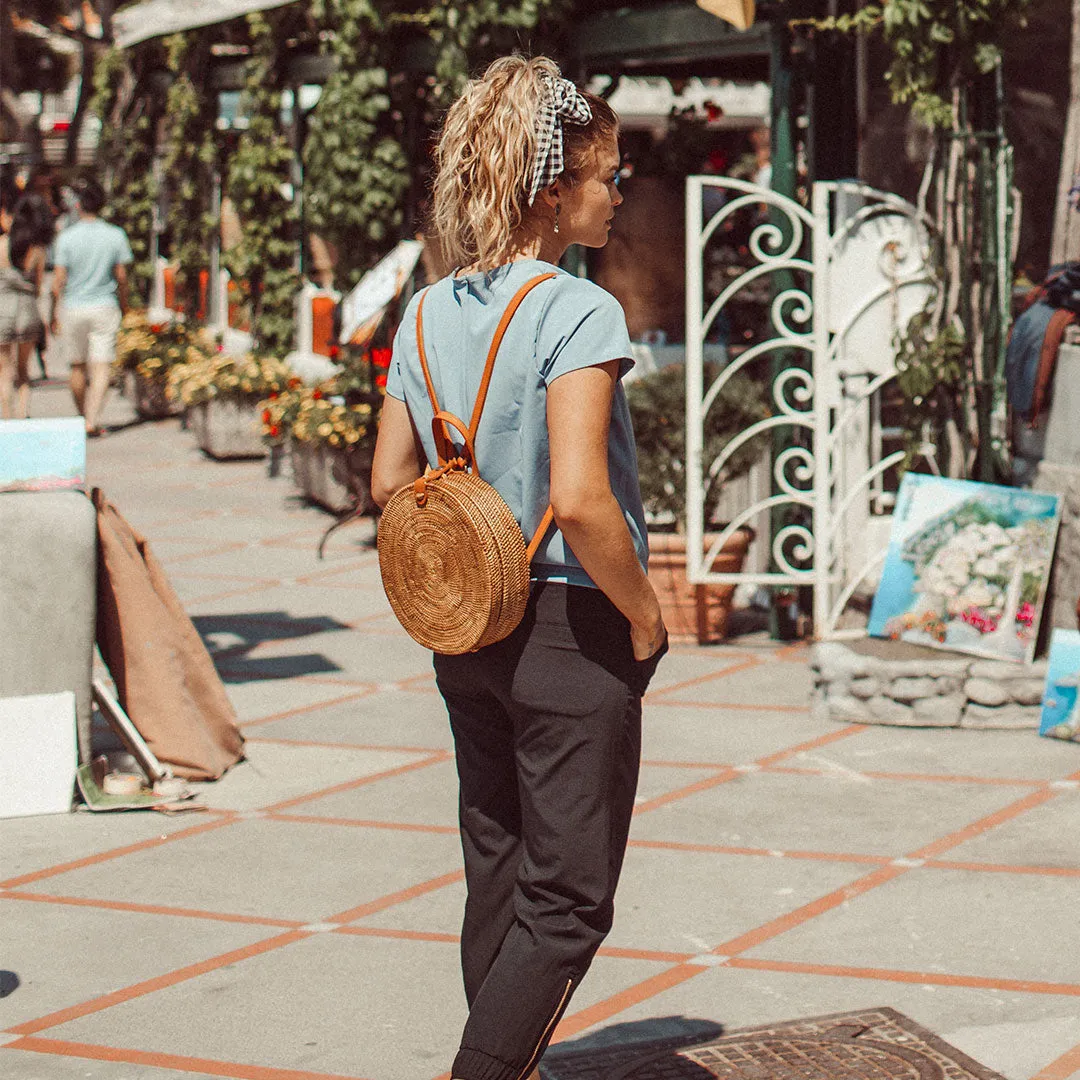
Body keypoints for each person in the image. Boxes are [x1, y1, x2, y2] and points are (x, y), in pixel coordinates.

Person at [370, 56, 668, 1080]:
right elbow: (582, 500)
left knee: (497, 863)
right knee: (569, 899)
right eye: (610, 176)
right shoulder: (577, 310)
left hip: (471, 622)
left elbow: (385, 481)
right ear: (555, 188)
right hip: (571, 627)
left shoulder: (424, 311)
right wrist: (646, 615)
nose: (619, 194)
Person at [50, 177, 132, 436]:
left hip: (74, 307)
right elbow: (121, 277)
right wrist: (125, 305)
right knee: (101, 366)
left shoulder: (66, 238)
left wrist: (54, 312)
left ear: (78, 207)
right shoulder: (115, 235)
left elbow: (58, 281)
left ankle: (81, 415)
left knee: (76, 366)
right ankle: (92, 420)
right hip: (104, 307)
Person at [0, 193, 55, 418]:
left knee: (4, 372)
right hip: (28, 311)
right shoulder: (38, 251)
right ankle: (22, 417)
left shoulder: (1, 245)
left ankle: (6, 419)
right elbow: (39, 287)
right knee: (24, 372)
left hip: (2, 310)